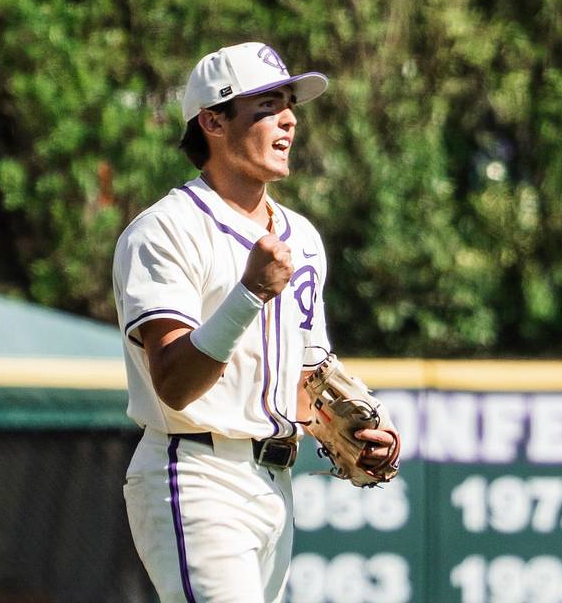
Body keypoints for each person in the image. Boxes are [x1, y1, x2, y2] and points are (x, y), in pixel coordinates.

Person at [112, 41, 399, 603]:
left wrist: (363, 427)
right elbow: (172, 382)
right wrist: (248, 293)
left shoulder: (303, 237)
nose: (290, 118)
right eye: (267, 105)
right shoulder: (165, 231)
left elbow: (307, 375)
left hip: (274, 481)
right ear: (213, 121)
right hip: (195, 473)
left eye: (290, 103)